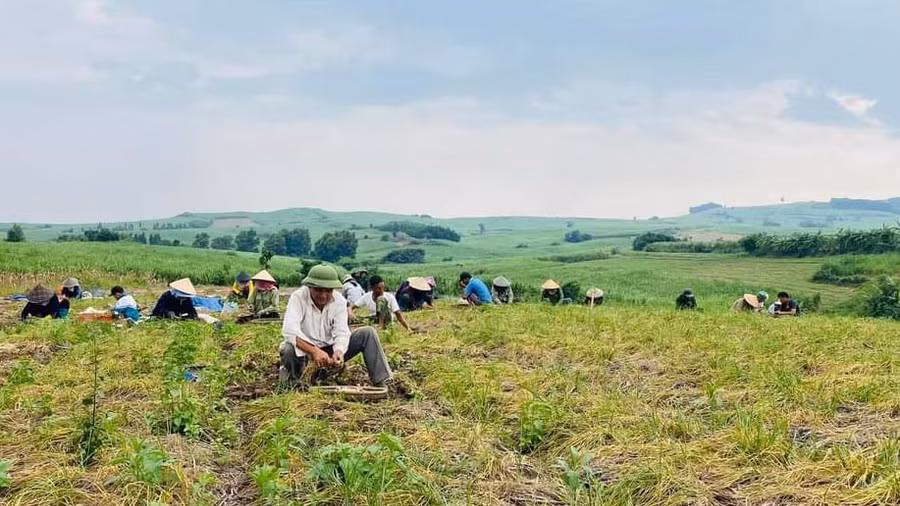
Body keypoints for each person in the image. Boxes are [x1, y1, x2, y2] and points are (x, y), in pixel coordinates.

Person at [279, 264, 393, 386]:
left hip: (328, 353)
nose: (323, 295)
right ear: (309, 287)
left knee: (367, 333)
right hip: (305, 353)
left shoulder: (339, 301)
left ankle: (382, 380)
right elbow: (290, 330)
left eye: (328, 291)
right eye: (318, 290)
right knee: (288, 348)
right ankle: (296, 381)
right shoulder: (298, 297)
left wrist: (339, 351)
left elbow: (342, 332)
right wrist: (314, 351)